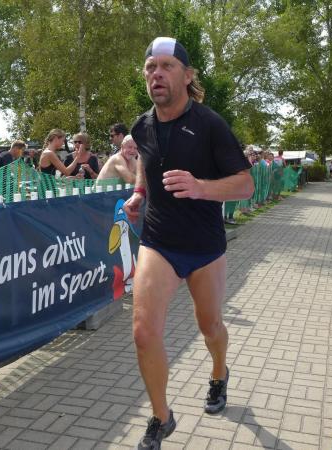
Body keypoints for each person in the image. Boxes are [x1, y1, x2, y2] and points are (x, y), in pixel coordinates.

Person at [123, 37, 253, 449]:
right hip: (158, 241)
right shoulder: (142, 125)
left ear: (187, 75)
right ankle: (162, 417)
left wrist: (200, 187)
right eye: (150, 67)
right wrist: (139, 193)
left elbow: (246, 185)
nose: (156, 74)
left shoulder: (210, 124)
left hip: (204, 247)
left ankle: (219, 372)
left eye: (167, 66)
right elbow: (144, 161)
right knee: (144, 332)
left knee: (209, 325)